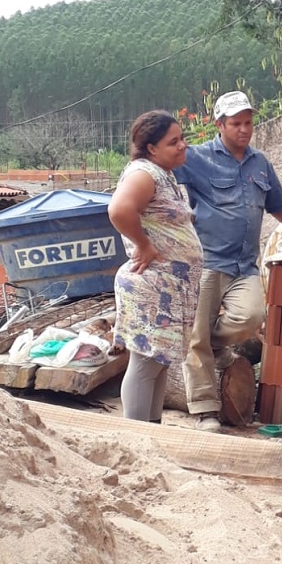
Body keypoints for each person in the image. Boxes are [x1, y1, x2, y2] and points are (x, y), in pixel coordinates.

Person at [174, 91, 282, 431]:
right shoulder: (196, 158)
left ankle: (214, 345)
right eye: (236, 123)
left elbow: (279, 206)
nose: (244, 129)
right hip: (206, 262)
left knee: (252, 317)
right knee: (196, 335)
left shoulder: (260, 163)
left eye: (248, 122)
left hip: (245, 264)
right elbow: (160, 173)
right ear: (220, 125)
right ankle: (205, 410)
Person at [108, 110, 203, 423]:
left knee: (159, 362)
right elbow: (119, 210)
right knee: (146, 364)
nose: (182, 145)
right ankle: (138, 437)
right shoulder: (144, 174)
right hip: (152, 285)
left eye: (182, 139)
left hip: (168, 287)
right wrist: (143, 245)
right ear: (151, 148)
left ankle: (153, 431)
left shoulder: (162, 174)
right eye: (173, 142)